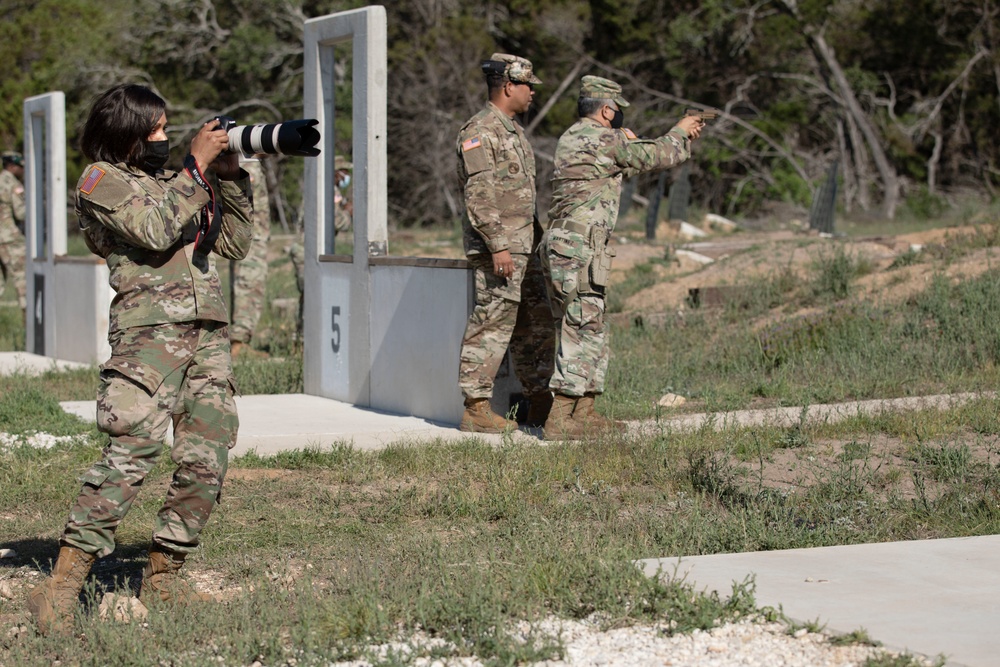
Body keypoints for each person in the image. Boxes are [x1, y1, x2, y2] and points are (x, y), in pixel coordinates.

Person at [27, 83, 254, 635]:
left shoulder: (174, 182)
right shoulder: (101, 181)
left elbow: (234, 244)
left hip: (205, 335)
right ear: (125, 131)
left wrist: (229, 177)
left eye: (166, 127)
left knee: (207, 455)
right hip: (148, 337)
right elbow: (153, 229)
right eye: (153, 128)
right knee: (133, 451)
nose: (164, 137)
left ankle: (165, 577)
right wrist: (195, 170)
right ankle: (61, 588)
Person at [539, 76, 703, 439]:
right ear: (607, 109)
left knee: (591, 322)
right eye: (615, 113)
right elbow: (658, 155)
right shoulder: (601, 138)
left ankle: (585, 411)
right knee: (583, 323)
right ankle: (562, 417)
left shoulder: (576, 137)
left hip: (572, 243)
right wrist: (680, 131)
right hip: (580, 245)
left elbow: (618, 165)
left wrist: (629, 141)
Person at [455, 53, 555, 432]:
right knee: (492, 321)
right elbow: (479, 196)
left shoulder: (512, 130)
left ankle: (539, 400)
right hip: (500, 250)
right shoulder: (479, 131)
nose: (532, 93)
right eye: (528, 86)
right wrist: (497, 244)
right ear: (508, 86)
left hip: (524, 248)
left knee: (536, 324)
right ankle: (476, 406)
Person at [287, 154, 351, 337]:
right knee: (313, 295)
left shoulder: (321, 188)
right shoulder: (329, 191)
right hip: (308, 250)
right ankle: (308, 338)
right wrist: (348, 213)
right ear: (336, 173)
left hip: (305, 249)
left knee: (308, 296)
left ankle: (302, 337)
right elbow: (339, 222)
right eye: (344, 173)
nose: (346, 177)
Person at [230, 158, 270, 357]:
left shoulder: (249, 163)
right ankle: (239, 342)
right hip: (251, 238)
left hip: (253, 236)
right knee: (249, 284)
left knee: (249, 283)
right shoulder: (248, 165)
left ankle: (239, 340)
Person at [0, 151, 26, 316]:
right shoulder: (12, 184)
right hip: (9, 238)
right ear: (12, 166)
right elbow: (21, 213)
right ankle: (30, 324)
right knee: (23, 280)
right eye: (20, 167)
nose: (22, 170)